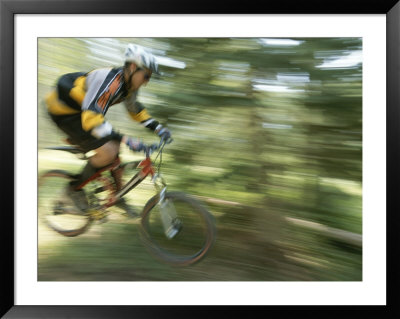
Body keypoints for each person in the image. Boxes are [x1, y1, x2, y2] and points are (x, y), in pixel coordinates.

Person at [45, 43, 171, 212]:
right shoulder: (110, 81)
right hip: (63, 110)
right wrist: (127, 139)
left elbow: (135, 111)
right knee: (108, 151)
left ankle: (117, 195)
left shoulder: (129, 86)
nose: (146, 82)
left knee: (116, 146)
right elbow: (91, 121)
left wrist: (158, 128)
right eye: (146, 76)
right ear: (133, 67)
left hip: (82, 112)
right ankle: (73, 191)